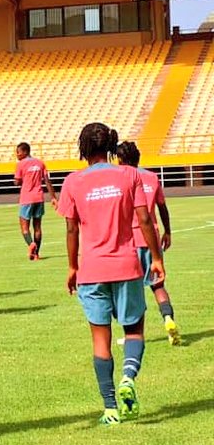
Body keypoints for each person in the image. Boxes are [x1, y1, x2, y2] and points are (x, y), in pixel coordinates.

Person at [58, 123, 165, 425]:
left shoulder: (73, 182)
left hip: (92, 269)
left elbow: (70, 228)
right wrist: (156, 258)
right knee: (133, 330)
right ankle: (128, 378)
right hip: (127, 265)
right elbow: (144, 219)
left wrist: (72, 266)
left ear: (83, 148)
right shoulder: (128, 175)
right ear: (109, 146)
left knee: (100, 340)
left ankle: (109, 409)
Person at [116, 141, 181, 346]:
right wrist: (168, 231)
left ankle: (131, 336)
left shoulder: (120, 179)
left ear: (119, 160)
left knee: (130, 290)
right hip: (151, 239)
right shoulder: (152, 177)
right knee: (158, 285)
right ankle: (168, 319)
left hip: (130, 240)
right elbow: (162, 207)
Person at [14, 142, 58, 260]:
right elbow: (47, 181)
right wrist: (53, 197)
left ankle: (31, 244)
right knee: (37, 227)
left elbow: (17, 182)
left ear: (25, 152)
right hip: (39, 198)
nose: (16, 155)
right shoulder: (40, 163)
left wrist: (19, 181)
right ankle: (36, 254)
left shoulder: (21, 164)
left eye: (18, 152)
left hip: (26, 198)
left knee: (24, 228)